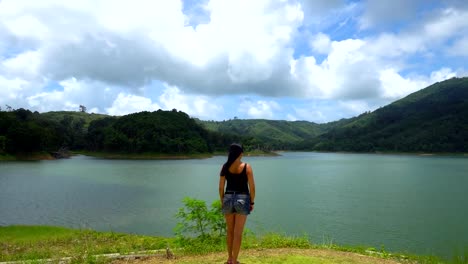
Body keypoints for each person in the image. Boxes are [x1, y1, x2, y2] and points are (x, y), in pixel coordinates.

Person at [219, 143, 256, 264]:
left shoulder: (225, 167)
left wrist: (222, 201)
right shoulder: (247, 167)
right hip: (243, 198)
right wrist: (251, 202)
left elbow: (220, 188)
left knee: (230, 231)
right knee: (237, 233)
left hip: (228, 197)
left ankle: (229, 258)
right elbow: (252, 188)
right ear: (240, 153)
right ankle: (235, 261)